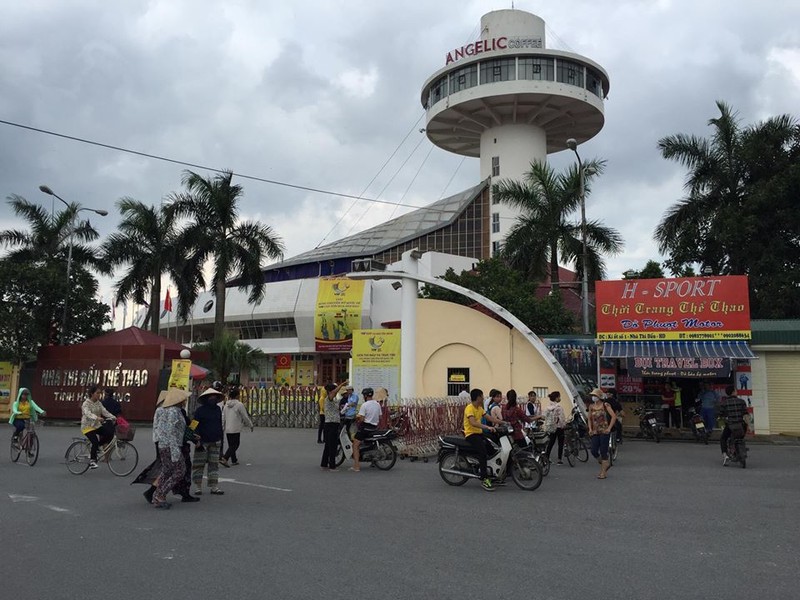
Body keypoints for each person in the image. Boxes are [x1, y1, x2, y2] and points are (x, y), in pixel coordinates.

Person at [152, 388, 191, 509]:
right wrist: (175, 450)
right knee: (180, 470)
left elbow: (157, 427)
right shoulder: (174, 411)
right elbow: (171, 431)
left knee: (167, 470)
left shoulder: (163, 410)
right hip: (171, 444)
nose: (185, 400)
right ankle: (161, 493)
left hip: (163, 444)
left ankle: (156, 496)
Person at [464, 388, 499, 492]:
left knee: (492, 448)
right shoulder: (469, 408)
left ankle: (490, 472)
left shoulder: (479, 408)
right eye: (482, 396)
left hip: (479, 433)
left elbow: (489, 418)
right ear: (478, 397)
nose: (483, 398)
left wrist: (503, 422)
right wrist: (487, 427)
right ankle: (484, 479)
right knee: (483, 452)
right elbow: (473, 423)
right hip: (471, 434)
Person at [192, 387, 225, 495]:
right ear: (206, 398)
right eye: (211, 397)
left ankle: (214, 486)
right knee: (199, 465)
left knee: (214, 464)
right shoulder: (199, 411)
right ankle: (198, 487)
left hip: (216, 441)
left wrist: (221, 441)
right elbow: (193, 426)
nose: (213, 399)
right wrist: (196, 439)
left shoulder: (217, 410)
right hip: (202, 441)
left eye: (215, 397)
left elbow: (220, 425)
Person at [81, 384, 116, 469]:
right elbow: (87, 413)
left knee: (109, 433)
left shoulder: (98, 403)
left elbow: (105, 412)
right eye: (97, 393)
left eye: (100, 393)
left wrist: (113, 417)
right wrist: (97, 418)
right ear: (92, 394)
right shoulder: (86, 404)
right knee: (95, 441)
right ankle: (92, 461)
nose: (99, 394)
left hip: (96, 425)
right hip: (87, 426)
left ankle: (97, 448)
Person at [587, 388, 616, 479]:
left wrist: (609, 428)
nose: (593, 397)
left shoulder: (605, 405)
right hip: (595, 431)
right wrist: (590, 429)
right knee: (593, 450)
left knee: (603, 451)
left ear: (599, 397)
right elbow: (589, 419)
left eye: (595, 396)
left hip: (604, 431)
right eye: (592, 396)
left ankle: (603, 472)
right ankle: (605, 463)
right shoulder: (591, 406)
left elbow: (613, 417)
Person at [350, 387, 382, 472]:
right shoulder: (377, 404)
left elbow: (362, 419)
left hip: (366, 428)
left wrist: (358, 417)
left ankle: (356, 466)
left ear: (365, 396)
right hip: (374, 427)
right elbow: (380, 417)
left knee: (355, 445)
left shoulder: (365, 405)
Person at [220, 386, 253, 467]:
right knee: (235, 445)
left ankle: (234, 460)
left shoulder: (226, 405)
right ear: (237, 395)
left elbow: (223, 417)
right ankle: (225, 458)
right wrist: (250, 425)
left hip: (228, 428)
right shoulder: (239, 405)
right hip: (236, 428)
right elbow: (244, 416)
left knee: (231, 444)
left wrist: (222, 426)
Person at [320, 380, 347, 471]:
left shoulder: (333, 400)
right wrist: (342, 384)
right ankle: (332, 466)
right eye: (334, 390)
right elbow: (334, 392)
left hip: (331, 423)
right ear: (331, 391)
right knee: (332, 445)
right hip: (331, 424)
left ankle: (324, 463)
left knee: (328, 445)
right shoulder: (329, 398)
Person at [718, 385, 748, 466]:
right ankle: (739, 448)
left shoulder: (724, 403)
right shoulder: (741, 401)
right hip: (741, 425)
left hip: (730, 425)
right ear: (733, 392)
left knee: (723, 438)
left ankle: (725, 455)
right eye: (736, 390)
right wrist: (749, 426)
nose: (737, 391)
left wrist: (722, 423)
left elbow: (721, 415)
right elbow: (746, 415)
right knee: (741, 436)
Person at [544, 391, 567, 464]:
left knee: (551, 442)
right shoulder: (558, 407)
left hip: (551, 427)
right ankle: (559, 459)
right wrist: (564, 425)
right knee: (560, 443)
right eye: (559, 397)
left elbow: (545, 416)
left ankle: (547, 457)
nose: (560, 398)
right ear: (556, 398)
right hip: (559, 427)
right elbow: (562, 418)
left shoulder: (548, 407)